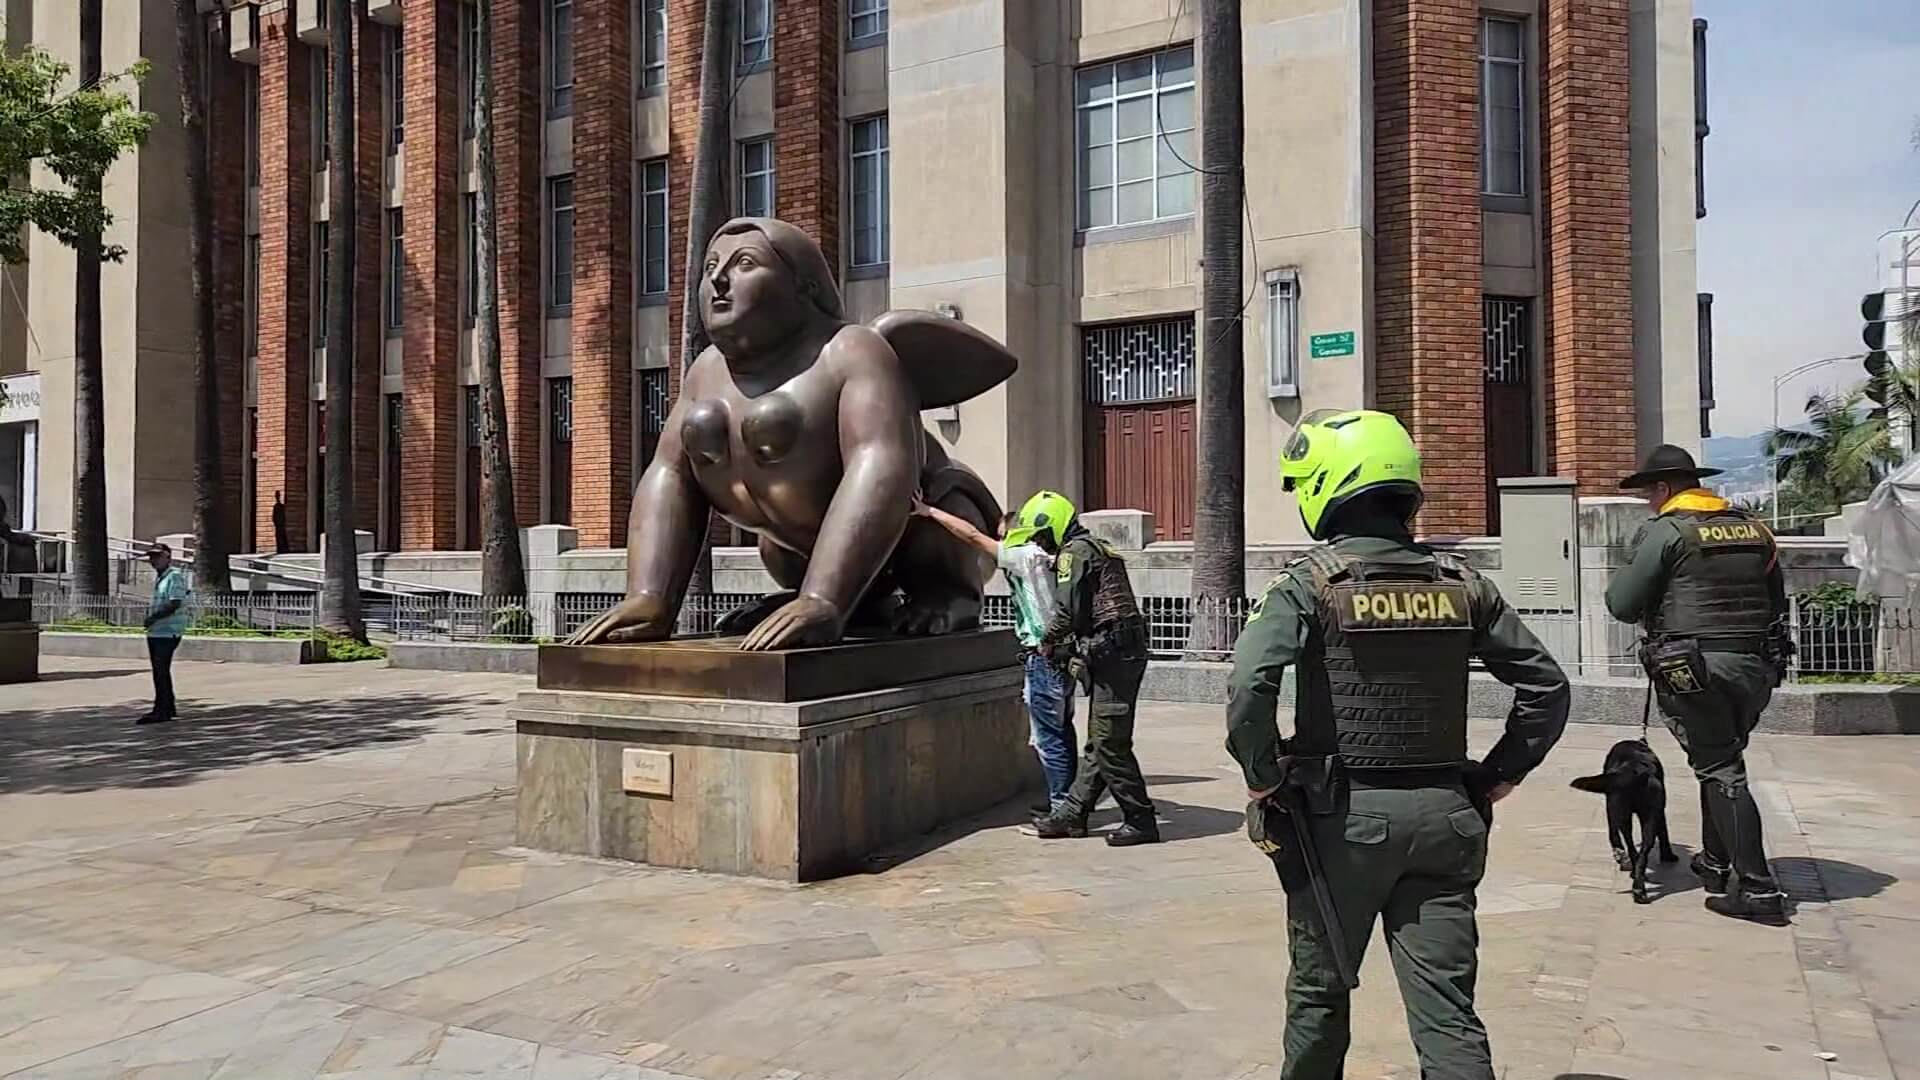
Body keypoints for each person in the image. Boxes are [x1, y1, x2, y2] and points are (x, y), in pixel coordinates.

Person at [1226, 409, 1569, 1079]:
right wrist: (1500, 774)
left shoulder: (1310, 584)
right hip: (1448, 819)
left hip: (1343, 826)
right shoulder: (1463, 585)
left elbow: (1248, 686)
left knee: (1321, 995)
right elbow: (1548, 689)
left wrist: (1263, 776)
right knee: (1447, 1008)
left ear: (1330, 484)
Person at [1604, 444, 1790, 925]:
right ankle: (1715, 861)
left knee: (1721, 770)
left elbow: (1622, 604)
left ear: (1664, 488)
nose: (1648, 501)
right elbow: (1776, 599)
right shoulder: (1755, 528)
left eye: (1649, 493)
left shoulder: (1668, 531)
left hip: (1694, 669)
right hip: (1756, 665)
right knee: (1722, 758)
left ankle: (1757, 889)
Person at [915, 500, 1079, 814]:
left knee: (1048, 737)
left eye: (1004, 535)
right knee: (1062, 729)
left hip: (1043, 656)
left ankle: (1062, 807)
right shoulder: (1049, 557)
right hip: (1063, 654)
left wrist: (930, 512)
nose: (1000, 542)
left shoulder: (1022, 557)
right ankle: (1069, 799)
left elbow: (973, 536)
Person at [1016, 491, 1160, 847]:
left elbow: (1068, 612)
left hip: (1112, 653)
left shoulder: (1073, 554)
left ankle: (1140, 817)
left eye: (1040, 536)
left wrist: (1045, 641)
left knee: (1110, 742)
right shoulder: (1097, 547)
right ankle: (1073, 813)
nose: (1039, 544)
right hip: (1117, 651)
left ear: (1054, 527)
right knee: (1099, 740)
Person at [141, 542, 191, 724]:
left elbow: (174, 603)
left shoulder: (174, 576)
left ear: (168, 556)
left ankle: (161, 710)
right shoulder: (161, 577)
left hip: (168, 632)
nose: (153, 560)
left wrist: (152, 618)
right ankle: (166, 707)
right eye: (151, 557)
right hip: (156, 632)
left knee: (161, 671)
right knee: (159, 671)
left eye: (157, 556)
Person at [271, 491, 289, 555]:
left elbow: (282, 516)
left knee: (281, 536)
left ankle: (283, 549)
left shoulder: (280, 506)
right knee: (279, 537)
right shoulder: (277, 506)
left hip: (280, 525)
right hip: (279, 525)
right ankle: (281, 549)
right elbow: (274, 517)